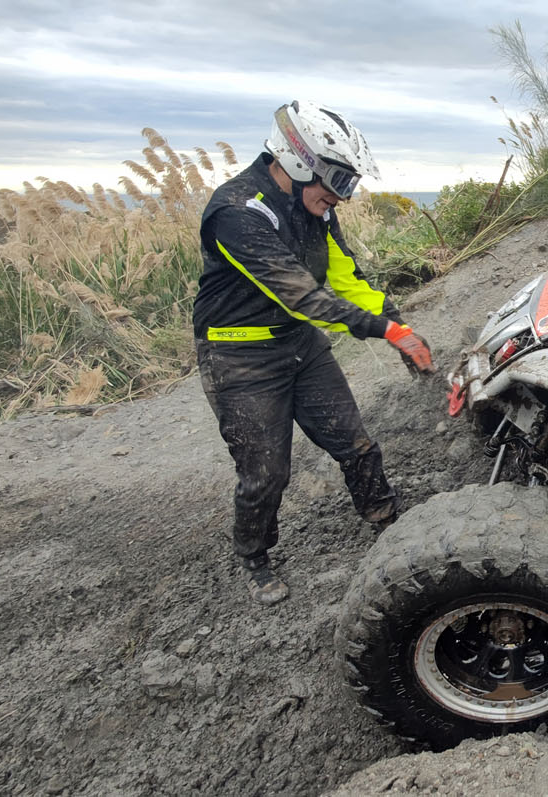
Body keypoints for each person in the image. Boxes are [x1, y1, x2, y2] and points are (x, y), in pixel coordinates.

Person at [193, 100, 435, 605]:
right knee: (266, 472)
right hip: (239, 357)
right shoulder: (236, 212)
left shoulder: (316, 210)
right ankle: (254, 556)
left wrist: (399, 325)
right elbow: (301, 295)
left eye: (349, 184)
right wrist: (386, 333)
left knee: (355, 441)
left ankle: (383, 515)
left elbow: (346, 277)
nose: (342, 197)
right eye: (339, 182)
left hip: (299, 343)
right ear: (299, 160)